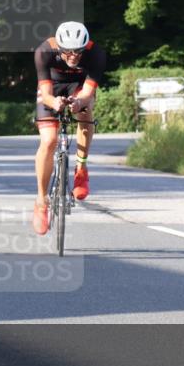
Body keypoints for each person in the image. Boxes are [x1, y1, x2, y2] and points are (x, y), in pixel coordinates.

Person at [31, 21, 106, 235]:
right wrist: (54, 103)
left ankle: (81, 169)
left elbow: (88, 93)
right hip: (52, 86)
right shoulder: (44, 51)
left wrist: (79, 102)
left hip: (79, 86)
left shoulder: (96, 54)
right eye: (68, 52)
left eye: (79, 51)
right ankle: (41, 202)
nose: (74, 56)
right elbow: (45, 94)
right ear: (59, 48)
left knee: (85, 112)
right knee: (49, 140)